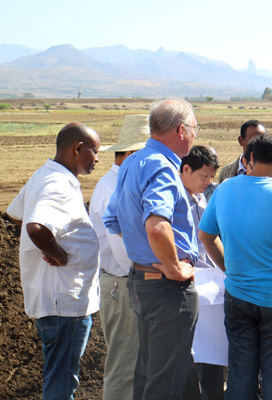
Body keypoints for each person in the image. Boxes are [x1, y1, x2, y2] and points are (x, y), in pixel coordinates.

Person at [199, 132, 272, 400]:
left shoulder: (224, 189)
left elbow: (206, 235)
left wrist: (230, 269)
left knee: (240, 375)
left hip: (238, 296)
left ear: (251, 157)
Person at [103, 99, 200, 399]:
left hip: (142, 282)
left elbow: (113, 219)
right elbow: (157, 226)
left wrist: (145, 249)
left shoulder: (133, 162)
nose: (195, 135)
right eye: (194, 129)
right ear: (181, 130)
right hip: (167, 287)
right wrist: (174, 267)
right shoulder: (162, 167)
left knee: (148, 376)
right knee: (164, 384)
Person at [7, 122, 101, 400]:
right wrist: (58, 254)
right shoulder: (58, 184)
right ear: (78, 148)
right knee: (61, 382)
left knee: (60, 376)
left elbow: (15, 213)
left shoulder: (45, 174)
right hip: (64, 303)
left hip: (57, 301)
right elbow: (35, 227)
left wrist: (54, 241)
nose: (97, 159)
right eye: (94, 151)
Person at [89, 114, 149, 400]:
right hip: (125, 285)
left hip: (125, 285)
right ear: (132, 154)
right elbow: (125, 254)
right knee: (125, 369)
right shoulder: (115, 189)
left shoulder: (117, 184)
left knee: (134, 366)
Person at [179, 145, 227, 400]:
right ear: (186, 169)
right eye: (204, 176)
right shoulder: (174, 201)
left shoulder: (200, 197)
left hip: (211, 285)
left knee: (212, 354)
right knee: (190, 355)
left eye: (211, 177)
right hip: (187, 285)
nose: (208, 182)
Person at [218, 119, 272, 185]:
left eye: (262, 141)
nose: (258, 145)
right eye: (253, 141)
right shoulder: (226, 172)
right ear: (241, 141)